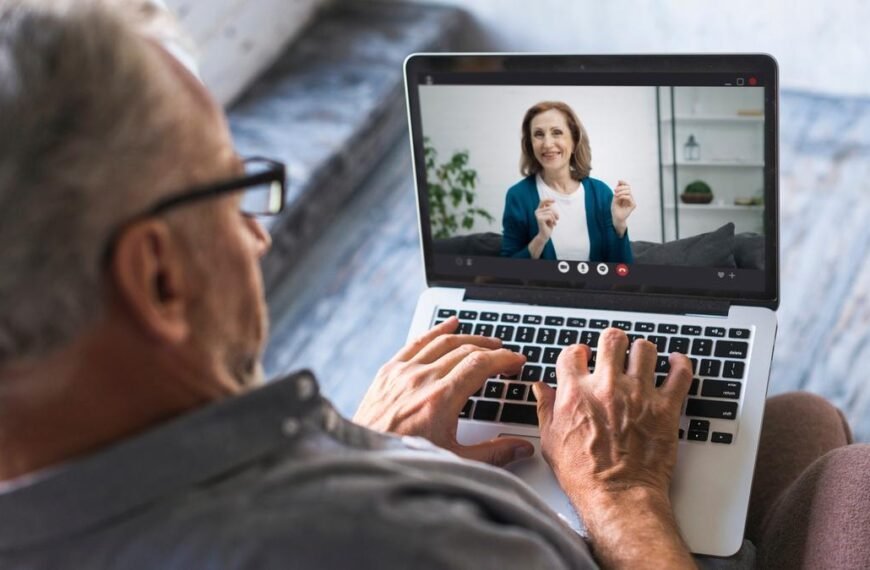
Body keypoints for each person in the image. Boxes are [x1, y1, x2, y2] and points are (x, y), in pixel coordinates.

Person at [1, 2, 868, 569]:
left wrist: (367, 444)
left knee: (787, 422)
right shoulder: (400, 543)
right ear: (157, 276)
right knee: (844, 473)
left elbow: (612, 247)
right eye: (233, 190)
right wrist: (623, 498)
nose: (257, 232)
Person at [500, 101, 636, 262]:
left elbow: (623, 271)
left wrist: (619, 225)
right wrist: (541, 238)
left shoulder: (601, 193)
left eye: (557, 132)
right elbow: (508, 269)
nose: (547, 144)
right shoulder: (518, 196)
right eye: (538, 134)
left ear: (574, 141)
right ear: (530, 145)